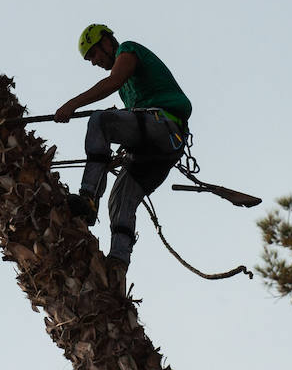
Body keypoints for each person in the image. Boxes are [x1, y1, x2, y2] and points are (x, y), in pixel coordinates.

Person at [54, 24, 192, 266]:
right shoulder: (129, 94)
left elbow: (113, 81)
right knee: (120, 199)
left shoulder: (127, 50)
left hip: (164, 126)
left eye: (95, 54)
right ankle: (117, 265)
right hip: (160, 148)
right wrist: (111, 160)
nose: (94, 62)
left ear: (108, 42)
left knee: (100, 120)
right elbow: (133, 122)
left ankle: (88, 198)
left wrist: (71, 104)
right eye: (90, 59)